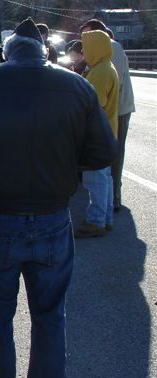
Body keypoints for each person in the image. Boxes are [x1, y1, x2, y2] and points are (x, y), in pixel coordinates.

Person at [0, 17, 117, 378]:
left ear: (7, 52)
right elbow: (103, 152)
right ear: (44, 51)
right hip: (53, 219)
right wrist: (64, 164)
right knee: (51, 317)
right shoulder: (76, 86)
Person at [79, 19, 135, 212]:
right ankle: (108, 199)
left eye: (86, 35)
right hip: (111, 107)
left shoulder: (112, 49)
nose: (83, 41)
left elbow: (112, 84)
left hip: (118, 109)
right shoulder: (100, 55)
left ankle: (113, 198)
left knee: (113, 154)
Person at [73, 29, 119, 238]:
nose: (83, 50)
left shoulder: (100, 72)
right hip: (107, 132)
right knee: (104, 179)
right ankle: (105, 218)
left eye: (86, 46)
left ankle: (96, 221)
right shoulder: (104, 67)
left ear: (96, 47)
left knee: (95, 180)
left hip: (97, 135)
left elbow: (93, 105)